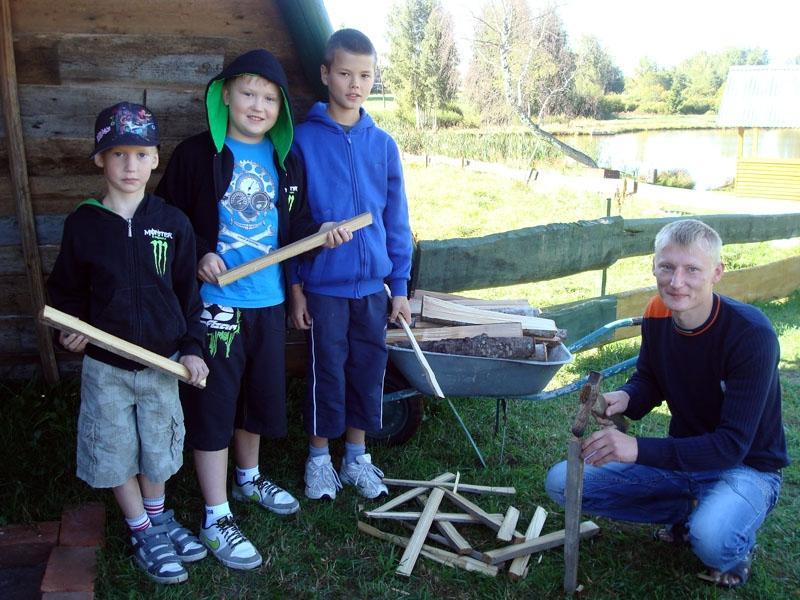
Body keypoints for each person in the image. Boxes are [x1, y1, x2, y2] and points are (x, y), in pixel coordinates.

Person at [156, 49, 351, 570]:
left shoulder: (286, 160)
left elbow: (300, 224)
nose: (257, 105)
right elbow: (164, 218)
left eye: (269, 98)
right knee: (214, 406)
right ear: (225, 96)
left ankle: (248, 478)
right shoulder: (197, 155)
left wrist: (320, 236)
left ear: (281, 108)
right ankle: (215, 513)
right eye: (248, 93)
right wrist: (197, 250)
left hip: (266, 303)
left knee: (256, 401)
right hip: (216, 306)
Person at [545, 219, 788, 588]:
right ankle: (690, 510)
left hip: (747, 466)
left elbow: (731, 445)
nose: (677, 282)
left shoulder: (751, 335)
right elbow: (651, 378)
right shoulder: (658, 312)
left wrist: (636, 448)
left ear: (717, 273)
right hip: (685, 460)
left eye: (692, 269)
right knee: (563, 483)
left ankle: (728, 541)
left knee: (713, 540)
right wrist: (624, 398)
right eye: (667, 267)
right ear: (654, 266)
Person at [47, 102, 210, 585]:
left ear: (155, 159)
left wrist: (194, 347)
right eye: (118, 154)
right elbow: (67, 291)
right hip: (106, 368)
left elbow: (189, 296)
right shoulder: (84, 225)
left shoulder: (173, 223)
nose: (130, 166)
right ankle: (141, 527)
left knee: (158, 447)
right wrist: (70, 327)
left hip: (161, 363)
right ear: (100, 160)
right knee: (115, 447)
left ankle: (158, 517)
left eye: (140, 154)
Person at [289, 29, 414, 502]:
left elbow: (397, 220)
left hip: (372, 289)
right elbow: (292, 221)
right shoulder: (302, 141)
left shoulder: (382, 145)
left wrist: (397, 285)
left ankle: (357, 456)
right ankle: (319, 458)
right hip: (324, 285)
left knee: (368, 368)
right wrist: (298, 287)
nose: (355, 83)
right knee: (327, 370)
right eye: (344, 73)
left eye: (365, 75)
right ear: (325, 74)